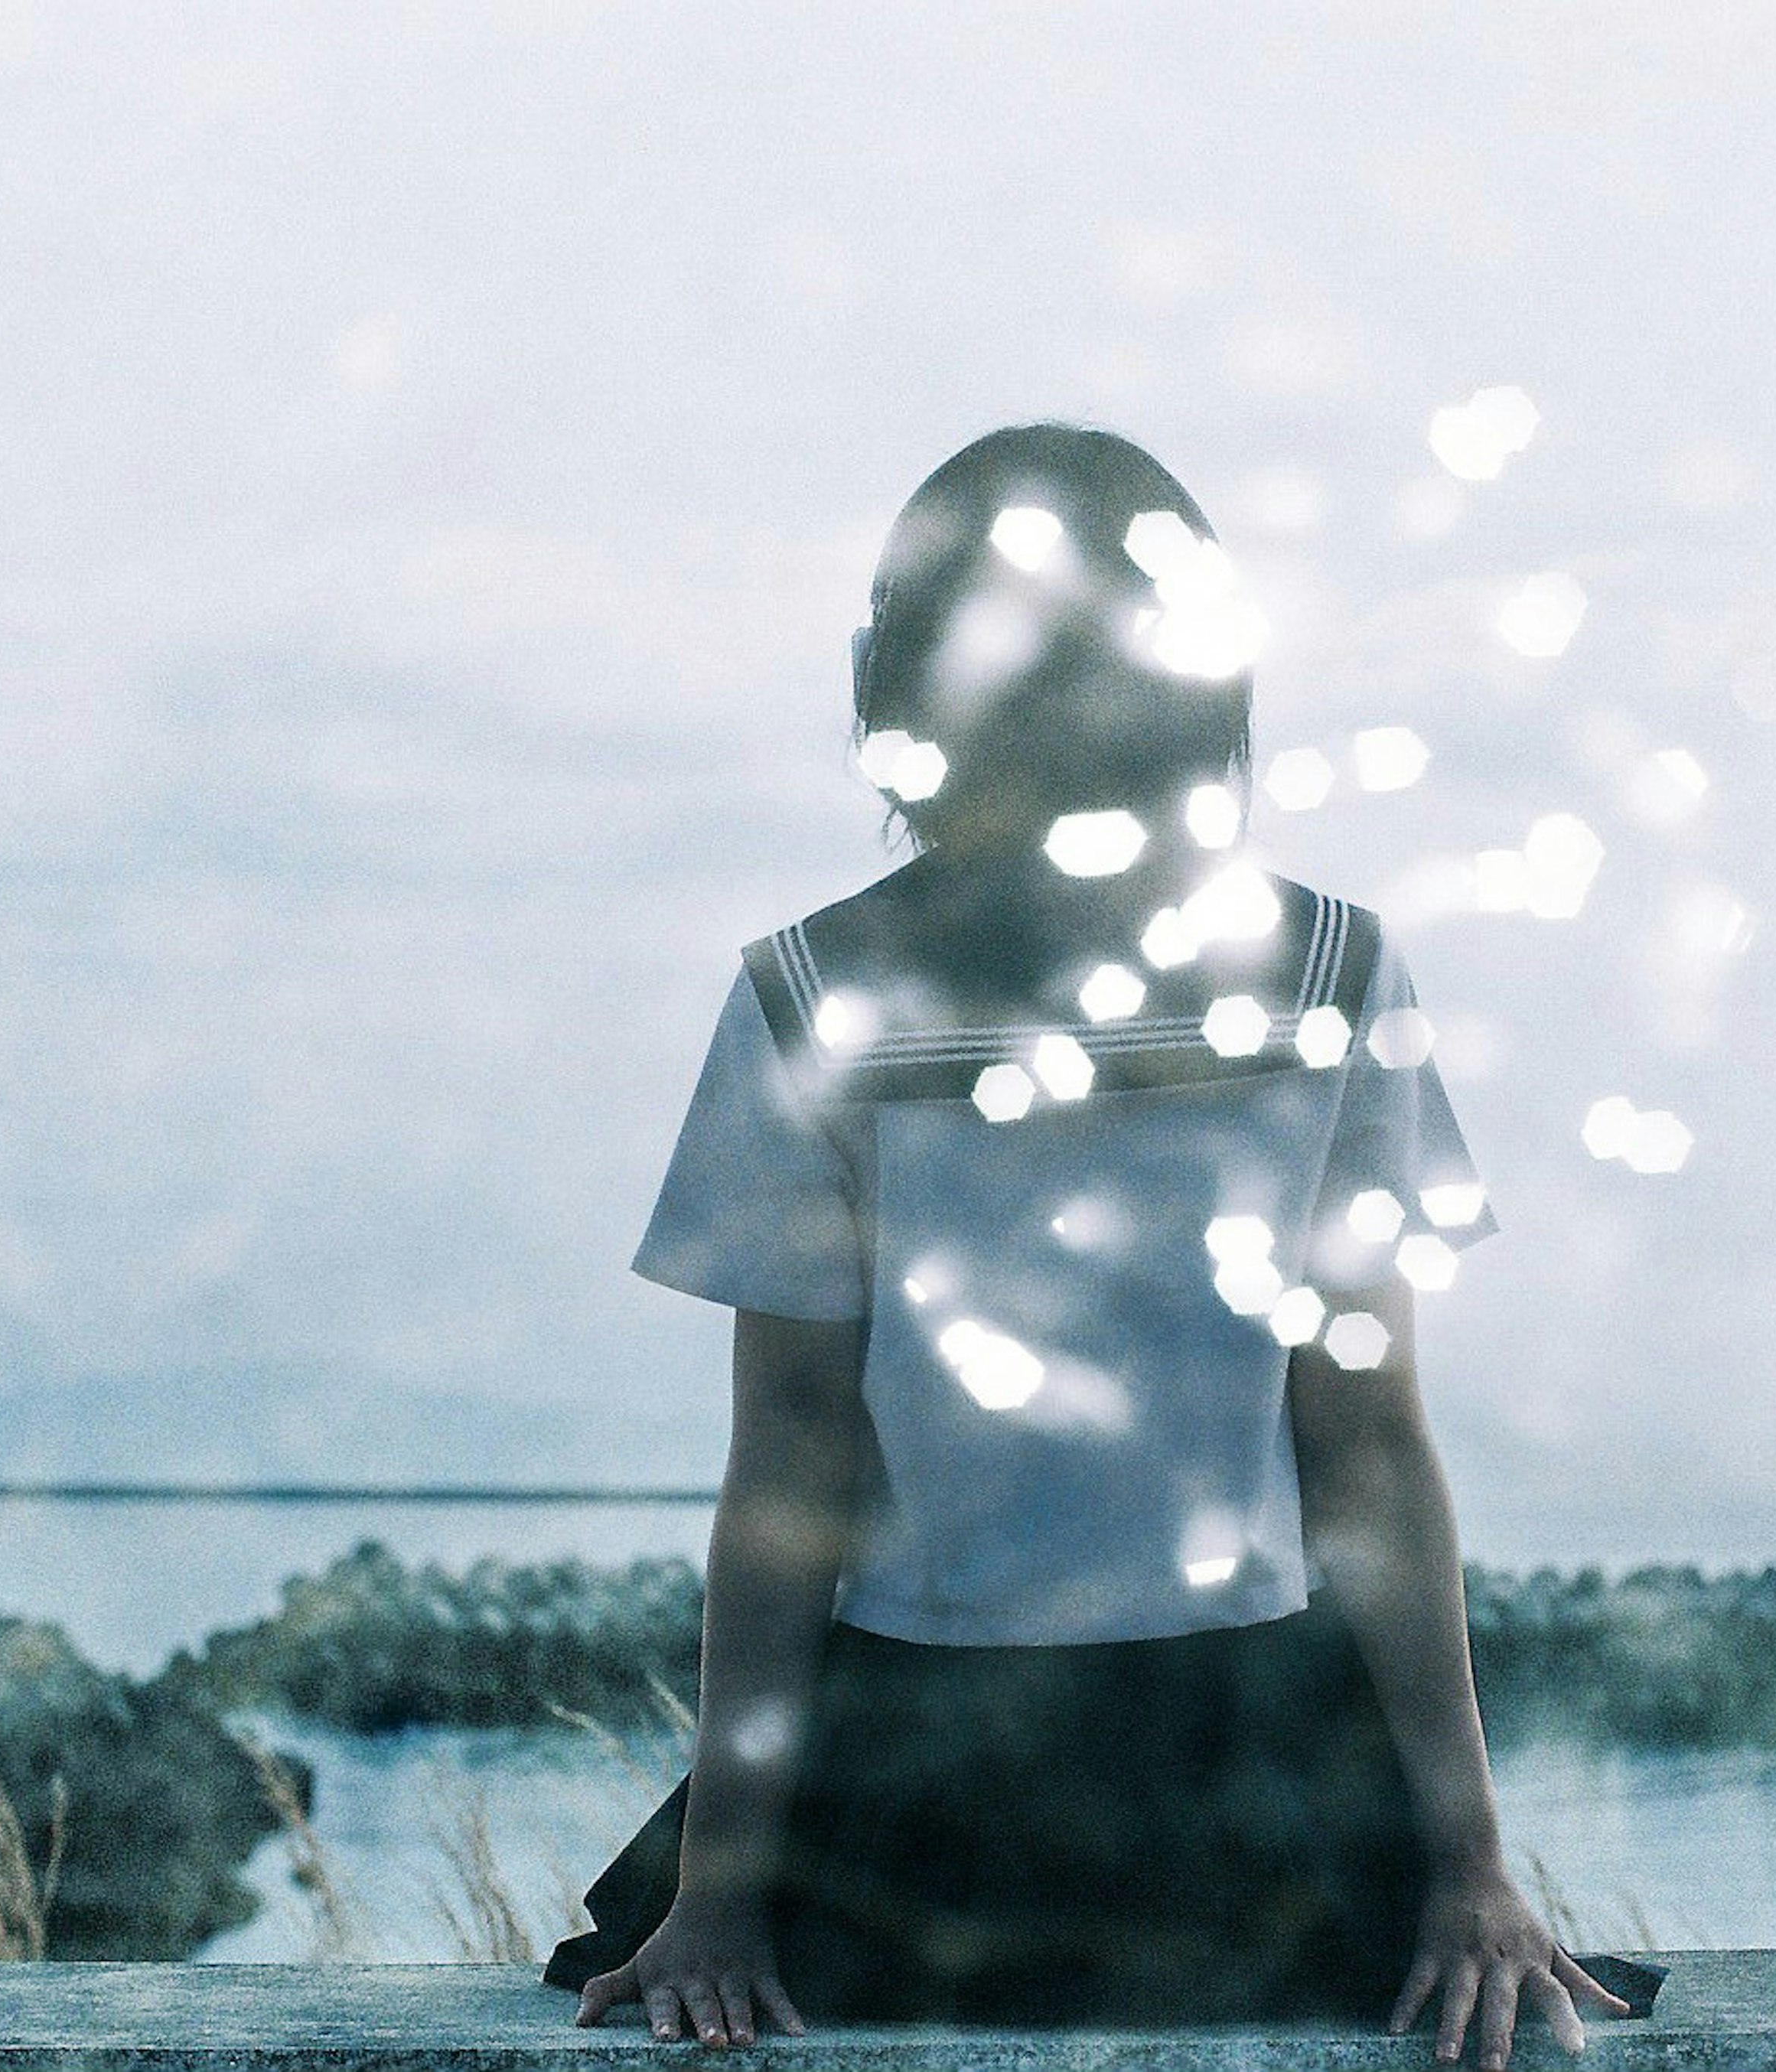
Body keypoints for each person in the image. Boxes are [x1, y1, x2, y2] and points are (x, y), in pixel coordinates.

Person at [551, 423, 1644, 2067]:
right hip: (917, 1759)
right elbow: (788, 1463)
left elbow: (1366, 1447)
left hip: (1252, 1748)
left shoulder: (1335, 971)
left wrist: (1472, 1870)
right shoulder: (809, 997)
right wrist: (720, 1889)